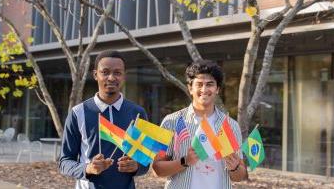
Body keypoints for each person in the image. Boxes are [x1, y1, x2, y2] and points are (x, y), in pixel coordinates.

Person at [59, 50, 149, 189]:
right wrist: (88, 168)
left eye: (117, 72)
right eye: (105, 72)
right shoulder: (78, 113)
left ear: (124, 76)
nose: (111, 78)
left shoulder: (137, 113)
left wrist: (136, 166)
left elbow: (145, 162)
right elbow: (64, 162)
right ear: (95, 74)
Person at [152, 60, 247, 189]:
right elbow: (157, 168)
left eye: (210, 84)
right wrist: (185, 161)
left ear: (217, 89)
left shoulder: (231, 126)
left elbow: (240, 176)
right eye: (199, 84)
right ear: (190, 88)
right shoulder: (171, 121)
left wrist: (234, 167)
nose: (204, 89)